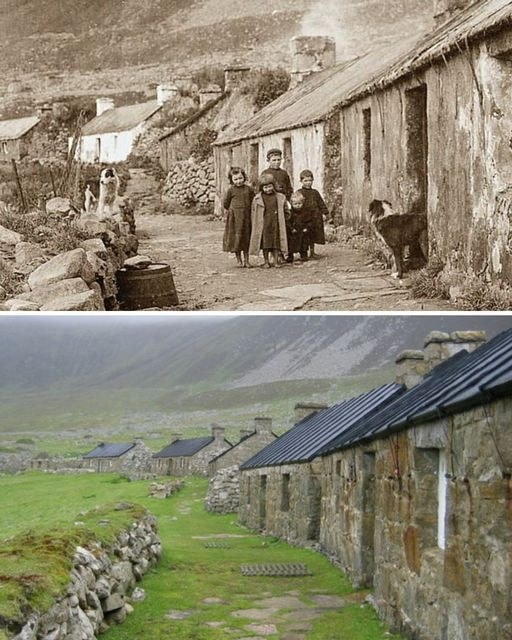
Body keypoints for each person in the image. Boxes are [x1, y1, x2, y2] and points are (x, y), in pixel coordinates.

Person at [249, 173, 288, 268]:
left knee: (276, 243)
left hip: (276, 223)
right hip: (264, 224)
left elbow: (286, 209)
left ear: (274, 186)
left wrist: (285, 217)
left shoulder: (280, 197)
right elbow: (254, 213)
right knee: (265, 244)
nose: (268, 189)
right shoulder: (257, 199)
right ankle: (266, 261)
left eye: (270, 186)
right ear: (261, 188)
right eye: (265, 187)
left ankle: (275, 261)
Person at [222, 166, 254, 267]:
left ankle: (247, 260)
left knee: (246, 238)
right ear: (232, 180)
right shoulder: (231, 190)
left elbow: (253, 201)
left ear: (244, 177)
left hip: (246, 218)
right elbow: (226, 204)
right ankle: (239, 260)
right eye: (235, 179)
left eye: (240, 178)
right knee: (237, 238)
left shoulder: (248, 189)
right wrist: (233, 211)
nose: (238, 181)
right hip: (235, 219)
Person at [298, 169, 329, 258]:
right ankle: (303, 253)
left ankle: (312, 252)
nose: (308, 183)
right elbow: (296, 204)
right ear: (301, 181)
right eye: (305, 181)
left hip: (314, 217)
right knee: (304, 236)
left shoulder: (315, 192)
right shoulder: (300, 192)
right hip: (304, 218)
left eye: (310, 180)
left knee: (313, 235)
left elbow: (320, 203)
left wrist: (324, 213)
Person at [286, 191, 312, 263]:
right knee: (291, 244)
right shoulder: (290, 212)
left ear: (302, 203)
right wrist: (291, 228)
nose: (298, 205)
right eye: (295, 204)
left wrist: (306, 227)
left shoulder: (305, 212)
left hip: (302, 231)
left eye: (299, 203)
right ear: (292, 204)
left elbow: (309, 221)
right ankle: (290, 256)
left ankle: (303, 255)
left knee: (304, 244)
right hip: (294, 232)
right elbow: (288, 222)